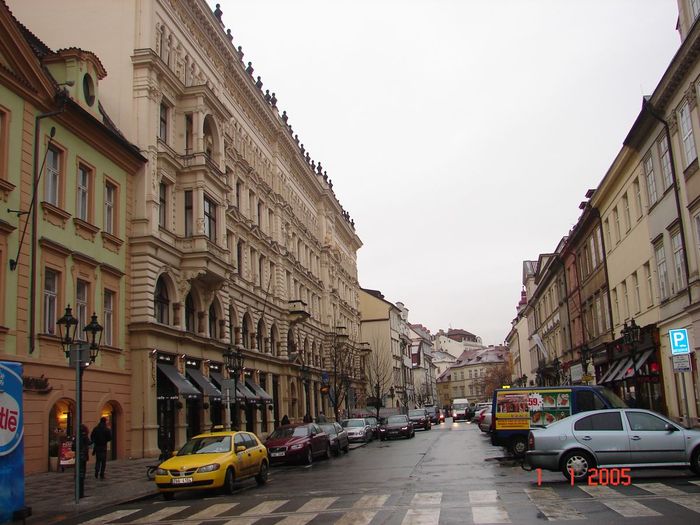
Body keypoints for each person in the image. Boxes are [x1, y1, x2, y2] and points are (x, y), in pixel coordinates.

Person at [71, 425, 91, 498]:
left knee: (79, 472)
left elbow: (73, 447)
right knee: (82, 474)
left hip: (78, 456)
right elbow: (89, 443)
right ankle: (80, 494)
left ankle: (79, 493)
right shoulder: (84, 436)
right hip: (83, 456)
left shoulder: (76, 437)